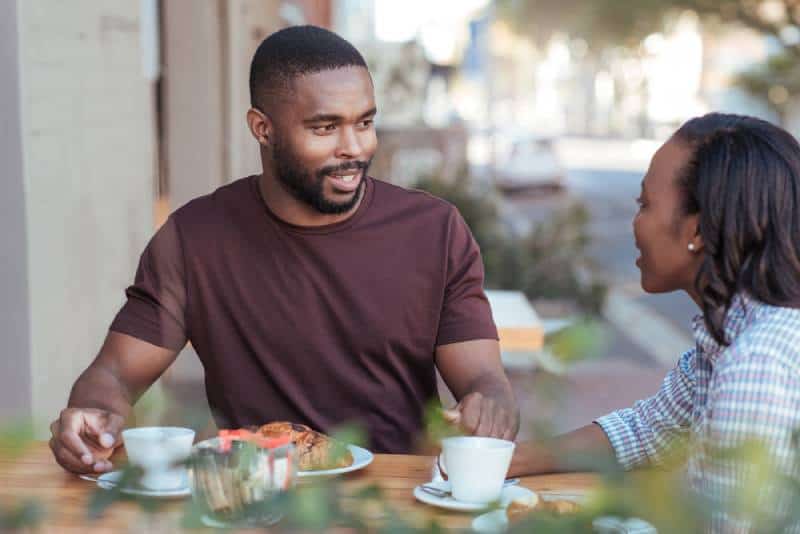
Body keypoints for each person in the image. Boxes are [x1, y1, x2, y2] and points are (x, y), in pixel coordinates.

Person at [49, 25, 519, 475]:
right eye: (325, 128)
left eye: (365, 122)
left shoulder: (434, 232)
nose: (353, 148)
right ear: (263, 128)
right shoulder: (193, 239)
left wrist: (490, 406)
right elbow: (111, 376)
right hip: (258, 498)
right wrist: (92, 417)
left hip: (398, 496)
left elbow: (485, 382)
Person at [510, 113, 800, 528]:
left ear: (697, 230)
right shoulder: (726, 339)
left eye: (645, 204)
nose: (635, 222)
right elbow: (648, 431)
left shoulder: (755, 364)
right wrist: (507, 459)